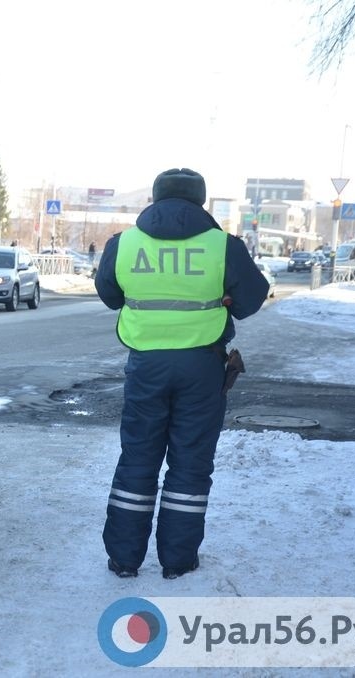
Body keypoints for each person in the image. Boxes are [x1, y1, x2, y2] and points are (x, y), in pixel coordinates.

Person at [94, 168, 269, 580]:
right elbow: (250, 301)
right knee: (190, 463)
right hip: (203, 367)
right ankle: (177, 560)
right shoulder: (223, 246)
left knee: (137, 458)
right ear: (201, 201)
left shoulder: (124, 243)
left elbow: (108, 294)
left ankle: (124, 558)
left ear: (155, 199)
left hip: (145, 367)